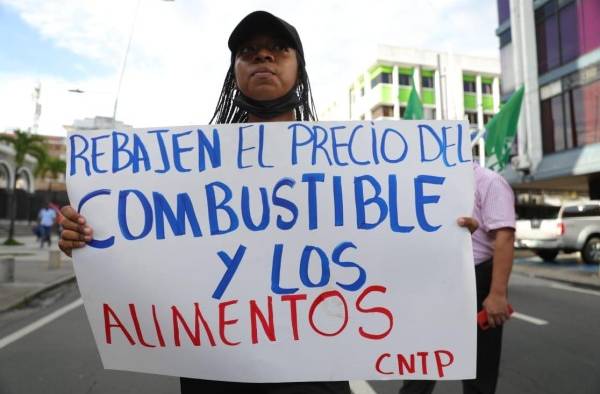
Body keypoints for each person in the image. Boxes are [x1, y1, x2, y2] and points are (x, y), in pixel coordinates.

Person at [59, 10, 479, 394]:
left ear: (299, 68)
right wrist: (90, 235)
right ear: (235, 71)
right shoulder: (184, 171)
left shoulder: (344, 167)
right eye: (248, 52)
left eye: (278, 49)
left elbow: (385, 242)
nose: (263, 57)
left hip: (313, 373)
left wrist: (444, 230)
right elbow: (151, 246)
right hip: (215, 369)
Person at [400, 161, 516, 394]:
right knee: (421, 364)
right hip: (435, 281)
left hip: (477, 279)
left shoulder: (489, 182)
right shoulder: (425, 184)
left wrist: (497, 294)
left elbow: (504, 237)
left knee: (479, 370)